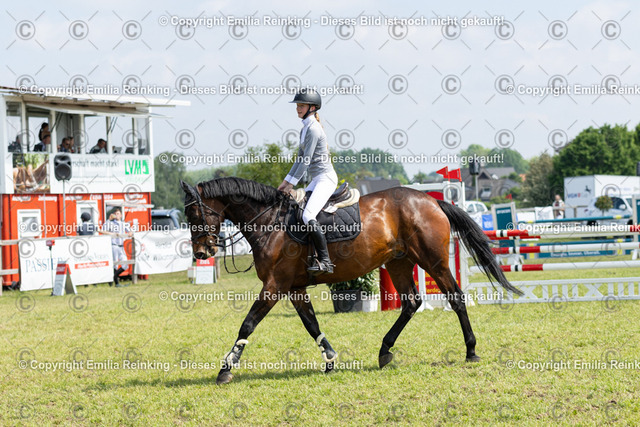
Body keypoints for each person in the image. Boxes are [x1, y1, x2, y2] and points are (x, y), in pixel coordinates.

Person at [277, 88, 338, 274]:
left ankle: (326, 261)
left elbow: (306, 161)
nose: (298, 108)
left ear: (312, 107)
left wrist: (292, 184)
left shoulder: (313, 129)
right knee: (298, 208)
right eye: (297, 105)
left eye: (301, 105)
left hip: (326, 179)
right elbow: (298, 159)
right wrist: (285, 182)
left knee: (307, 215)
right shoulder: (305, 128)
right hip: (317, 179)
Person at [101, 208, 133, 286]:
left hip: (121, 246)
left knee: (125, 265)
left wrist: (130, 232)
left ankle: (112, 278)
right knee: (115, 264)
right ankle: (116, 283)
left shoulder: (124, 224)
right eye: (115, 214)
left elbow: (130, 231)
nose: (117, 215)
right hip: (114, 246)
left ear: (121, 215)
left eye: (118, 214)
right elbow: (103, 229)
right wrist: (109, 219)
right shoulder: (111, 223)